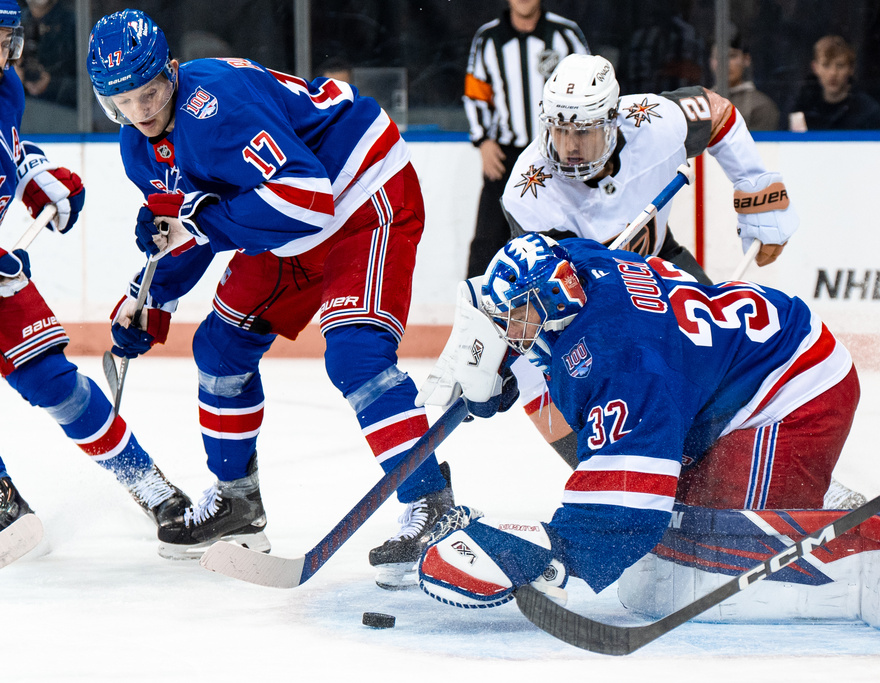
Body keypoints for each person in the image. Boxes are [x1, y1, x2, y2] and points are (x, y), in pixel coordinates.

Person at [414, 233, 880, 630]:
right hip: (738, 375)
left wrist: (551, 552)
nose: (512, 329)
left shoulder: (626, 363)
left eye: (518, 317)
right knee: (676, 520)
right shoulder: (575, 263)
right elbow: (540, 316)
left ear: (554, 304)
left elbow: (625, 513)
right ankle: (811, 496)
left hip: (797, 393)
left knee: (702, 542)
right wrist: (496, 363)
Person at [85, 9, 453, 589]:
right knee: (219, 347)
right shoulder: (139, 146)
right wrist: (150, 299)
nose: (142, 113)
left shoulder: (216, 107)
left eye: (150, 92)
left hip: (361, 193)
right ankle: (238, 504)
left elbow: (308, 198)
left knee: (355, 355)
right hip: (291, 224)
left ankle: (433, 507)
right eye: (123, 103)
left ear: (173, 72)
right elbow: (190, 225)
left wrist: (199, 221)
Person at [499, 53, 798, 468]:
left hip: (662, 264)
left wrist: (754, 185)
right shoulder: (529, 192)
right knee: (551, 374)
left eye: (583, 132)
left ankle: (764, 463)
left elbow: (718, 113)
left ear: (612, 120)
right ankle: (609, 471)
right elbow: (555, 299)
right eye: (559, 129)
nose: (568, 147)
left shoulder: (654, 123)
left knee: (729, 356)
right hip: (592, 303)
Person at [0, 0, 191, 567]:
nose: (3, 53)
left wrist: (34, 173)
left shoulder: (6, 86)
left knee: (55, 381)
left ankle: (145, 481)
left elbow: (6, 146)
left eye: (6, 38)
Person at [463, 0, 588, 278]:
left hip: (560, 153)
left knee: (567, 235)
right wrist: (483, 140)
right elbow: (476, 94)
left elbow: (590, 88)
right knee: (488, 239)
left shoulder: (565, 34)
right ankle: (476, 312)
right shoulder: (488, 39)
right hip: (506, 155)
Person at [789, 34, 880, 130]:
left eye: (840, 65)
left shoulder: (868, 111)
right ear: (815, 67)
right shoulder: (801, 107)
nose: (833, 73)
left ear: (851, 69)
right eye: (826, 65)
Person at [709, 34, 780, 131]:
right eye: (718, 57)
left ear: (746, 59)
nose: (725, 63)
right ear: (711, 62)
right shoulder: (698, 103)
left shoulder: (761, 106)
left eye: (732, 56)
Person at [14, 0, 76, 109]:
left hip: (66, 115)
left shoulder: (74, 24)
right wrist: (11, 79)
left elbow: (90, 87)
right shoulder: (11, 22)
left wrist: (52, 84)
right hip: (20, 114)